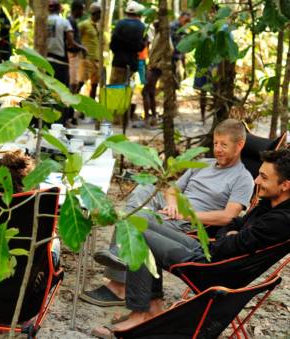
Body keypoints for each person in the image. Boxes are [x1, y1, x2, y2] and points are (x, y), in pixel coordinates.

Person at [92, 148, 290, 337]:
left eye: (264, 177)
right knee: (138, 221)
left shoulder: (281, 220)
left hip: (211, 267)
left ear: (285, 185)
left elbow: (234, 244)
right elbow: (235, 224)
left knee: (139, 235)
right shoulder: (269, 204)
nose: (257, 180)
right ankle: (153, 307)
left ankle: (139, 314)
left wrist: (231, 236)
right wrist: (229, 235)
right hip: (210, 251)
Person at [81, 119, 254, 306]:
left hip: (191, 220)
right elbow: (172, 189)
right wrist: (172, 205)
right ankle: (121, 256)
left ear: (240, 145)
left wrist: (186, 215)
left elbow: (228, 216)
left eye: (224, 145)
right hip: (172, 208)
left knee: (139, 219)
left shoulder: (243, 178)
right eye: (215, 143)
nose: (217, 149)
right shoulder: (204, 163)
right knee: (144, 190)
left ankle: (119, 286)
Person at [47, 0, 86, 126]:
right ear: (59, 9)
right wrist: (82, 48)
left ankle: (48, 120)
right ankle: (62, 121)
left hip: (46, 60)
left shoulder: (44, 21)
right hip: (61, 61)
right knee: (62, 92)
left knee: (48, 91)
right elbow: (70, 42)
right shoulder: (64, 22)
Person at [109, 1, 146, 85]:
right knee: (128, 88)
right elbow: (142, 46)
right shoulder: (142, 27)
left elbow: (112, 44)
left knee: (115, 88)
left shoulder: (120, 24)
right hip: (132, 63)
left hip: (118, 62)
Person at [78, 2, 102, 99]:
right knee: (80, 83)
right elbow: (76, 38)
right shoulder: (84, 25)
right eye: (99, 13)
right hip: (86, 59)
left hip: (96, 60)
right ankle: (69, 108)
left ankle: (90, 112)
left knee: (94, 85)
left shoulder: (98, 26)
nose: (100, 15)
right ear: (95, 13)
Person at [67, 0, 85, 94]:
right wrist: (82, 48)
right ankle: (68, 107)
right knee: (73, 82)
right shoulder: (70, 21)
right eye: (82, 9)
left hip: (75, 55)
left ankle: (70, 107)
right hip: (72, 55)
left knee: (75, 81)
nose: (83, 12)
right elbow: (70, 41)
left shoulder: (73, 21)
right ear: (77, 10)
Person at [170, 12, 191, 87]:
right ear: (181, 18)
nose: (186, 23)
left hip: (178, 55)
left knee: (177, 76)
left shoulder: (182, 28)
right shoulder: (173, 26)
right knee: (173, 76)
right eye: (185, 20)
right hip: (172, 55)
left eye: (188, 21)